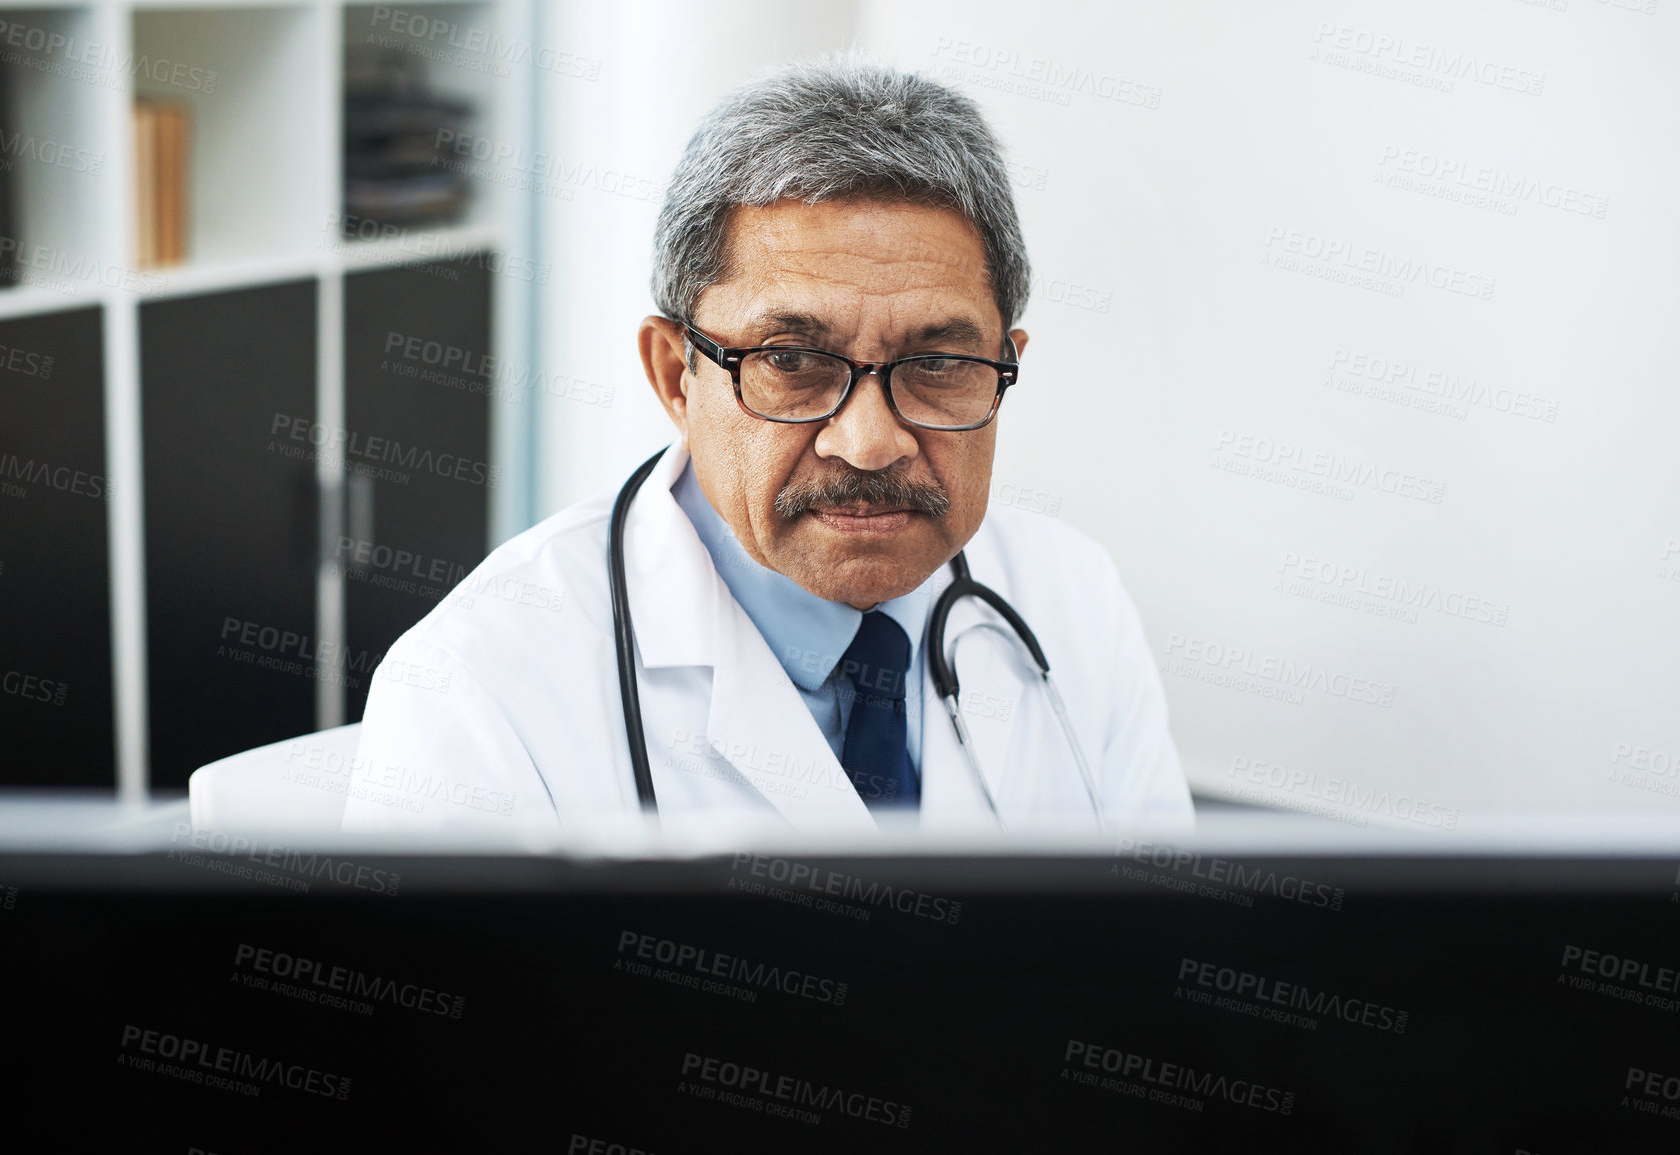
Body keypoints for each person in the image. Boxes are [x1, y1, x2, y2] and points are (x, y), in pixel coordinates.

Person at [342, 56, 1192, 842]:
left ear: (1002, 366)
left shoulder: (1074, 599)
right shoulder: (477, 690)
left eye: (936, 363)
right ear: (676, 374)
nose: (868, 444)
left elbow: (1159, 968)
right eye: (791, 361)